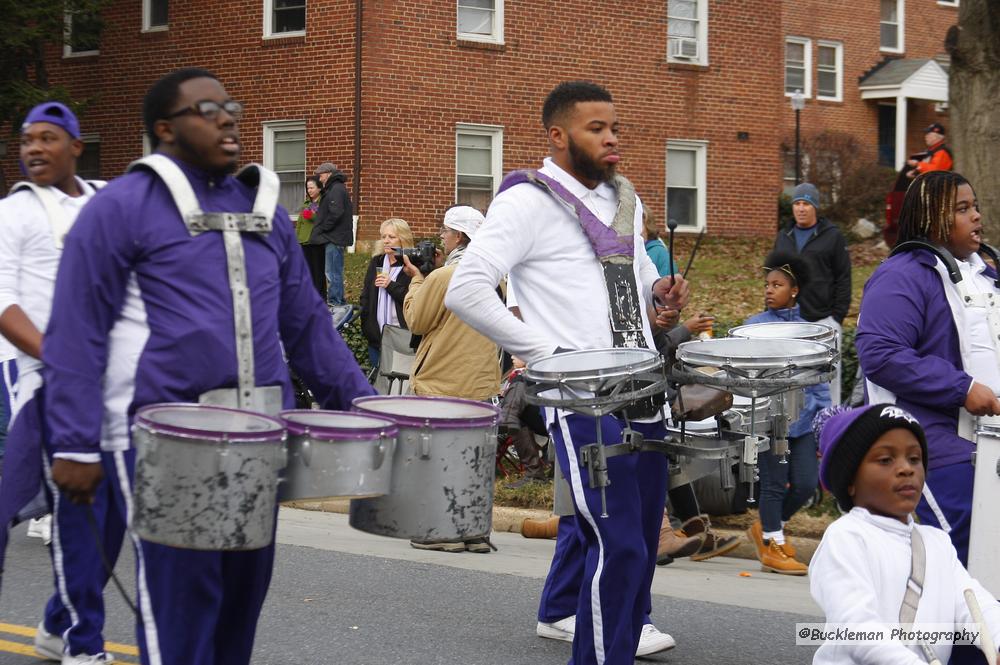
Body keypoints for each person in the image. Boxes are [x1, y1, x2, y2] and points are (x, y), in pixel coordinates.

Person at [42, 68, 374, 665]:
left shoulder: (267, 212)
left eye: (230, 106)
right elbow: (75, 332)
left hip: (262, 436)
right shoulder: (121, 208)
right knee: (181, 610)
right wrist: (74, 443)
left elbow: (307, 327)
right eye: (206, 110)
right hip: (166, 437)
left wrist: (365, 409)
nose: (227, 118)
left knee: (238, 607)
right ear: (165, 129)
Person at [446, 80, 690, 664]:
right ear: (557, 136)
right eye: (596, 129)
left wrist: (658, 295)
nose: (611, 139)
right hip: (583, 400)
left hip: (644, 390)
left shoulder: (625, 200)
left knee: (637, 546)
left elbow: (626, 283)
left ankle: (611, 640)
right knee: (622, 544)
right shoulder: (525, 201)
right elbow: (466, 290)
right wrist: (547, 354)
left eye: (615, 128)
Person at [0, 101, 117, 664]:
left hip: (103, 378)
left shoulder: (105, 200)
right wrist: (61, 356)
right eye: (26, 140)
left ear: (76, 146)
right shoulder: (15, 212)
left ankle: (56, 623)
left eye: (48, 138)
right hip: (33, 373)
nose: (33, 149)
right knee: (78, 503)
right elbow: (3, 300)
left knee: (110, 510)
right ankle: (82, 643)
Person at [855, 170, 1000, 570]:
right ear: (930, 217)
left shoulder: (985, 274)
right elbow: (880, 354)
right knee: (964, 551)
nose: (976, 217)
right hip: (932, 443)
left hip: (987, 441)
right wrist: (963, 387)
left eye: (975, 207)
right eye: (962, 209)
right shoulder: (902, 275)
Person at [810, 403, 1000, 665]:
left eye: (914, 459)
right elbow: (856, 627)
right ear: (850, 481)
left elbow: (974, 604)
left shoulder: (937, 543)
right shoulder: (847, 537)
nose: (906, 469)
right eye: (886, 460)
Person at [401, 204, 500, 553]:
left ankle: (441, 531)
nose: (440, 237)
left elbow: (416, 320)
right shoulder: (497, 275)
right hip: (483, 380)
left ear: (459, 236)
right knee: (474, 458)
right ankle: (474, 532)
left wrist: (415, 280)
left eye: (444, 231)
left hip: (443, 379)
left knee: (438, 456)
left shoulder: (443, 277)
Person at [743, 250, 830, 575]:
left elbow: (820, 379)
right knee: (774, 485)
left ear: (794, 290)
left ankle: (769, 527)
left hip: (803, 423)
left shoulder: (810, 330)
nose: (769, 290)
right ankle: (773, 544)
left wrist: (822, 419)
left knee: (807, 485)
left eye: (777, 284)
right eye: (767, 284)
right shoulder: (753, 327)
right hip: (769, 423)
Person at [773, 182, 851, 404]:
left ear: (815, 207)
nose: (801, 208)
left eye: (806, 203)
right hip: (789, 321)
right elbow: (774, 276)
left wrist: (837, 316)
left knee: (828, 381)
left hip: (823, 319)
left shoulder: (832, 236)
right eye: (797, 203)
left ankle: (831, 428)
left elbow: (844, 277)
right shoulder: (784, 236)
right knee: (793, 380)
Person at [358, 217, 414, 367]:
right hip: (377, 339)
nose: (386, 241)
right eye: (383, 237)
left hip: (402, 338)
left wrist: (390, 285)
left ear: (403, 239)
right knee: (379, 385)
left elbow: (413, 299)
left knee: (399, 386)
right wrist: (367, 327)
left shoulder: (411, 266)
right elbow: (366, 296)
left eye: (392, 237)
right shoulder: (377, 262)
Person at [310, 162, 354, 315]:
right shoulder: (335, 188)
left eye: (320, 175)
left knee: (332, 272)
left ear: (328, 173)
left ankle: (336, 303)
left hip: (334, 237)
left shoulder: (335, 189)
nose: (319, 178)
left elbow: (336, 213)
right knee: (333, 271)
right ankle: (338, 302)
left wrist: (323, 228)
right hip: (334, 236)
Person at [295, 175, 327, 297]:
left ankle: (320, 296)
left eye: (312, 188)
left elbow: (320, 219)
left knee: (318, 271)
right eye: (308, 188)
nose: (309, 190)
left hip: (315, 242)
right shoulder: (307, 203)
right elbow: (300, 223)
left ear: (319, 188)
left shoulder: (322, 202)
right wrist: (296, 238)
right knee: (307, 271)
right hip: (303, 242)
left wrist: (311, 215)